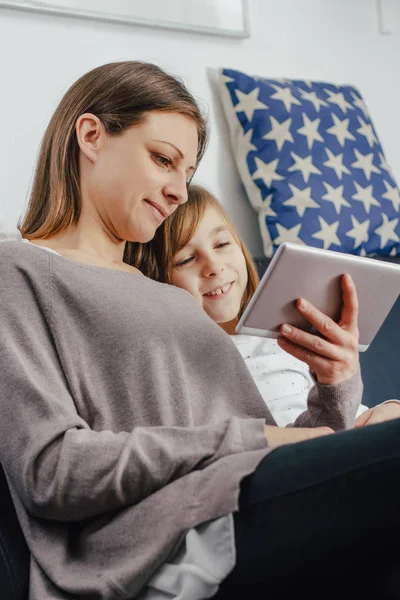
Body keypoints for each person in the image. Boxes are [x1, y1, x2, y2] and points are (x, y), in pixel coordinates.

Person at [2, 61, 400, 600]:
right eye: (163, 159)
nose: (177, 192)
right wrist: (248, 440)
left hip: (247, 495)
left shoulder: (174, 297)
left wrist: (334, 384)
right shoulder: (18, 271)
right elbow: (53, 471)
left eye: (186, 175)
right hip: (170, 537)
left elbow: (279, 436)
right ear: (91, 135)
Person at [129, 184, 371, 428]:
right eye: (187, 259)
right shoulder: (177, 367)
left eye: (221, 244)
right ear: (157, 278)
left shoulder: (284, 337)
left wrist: (388, 408)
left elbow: (348, 414)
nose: (214, 266)